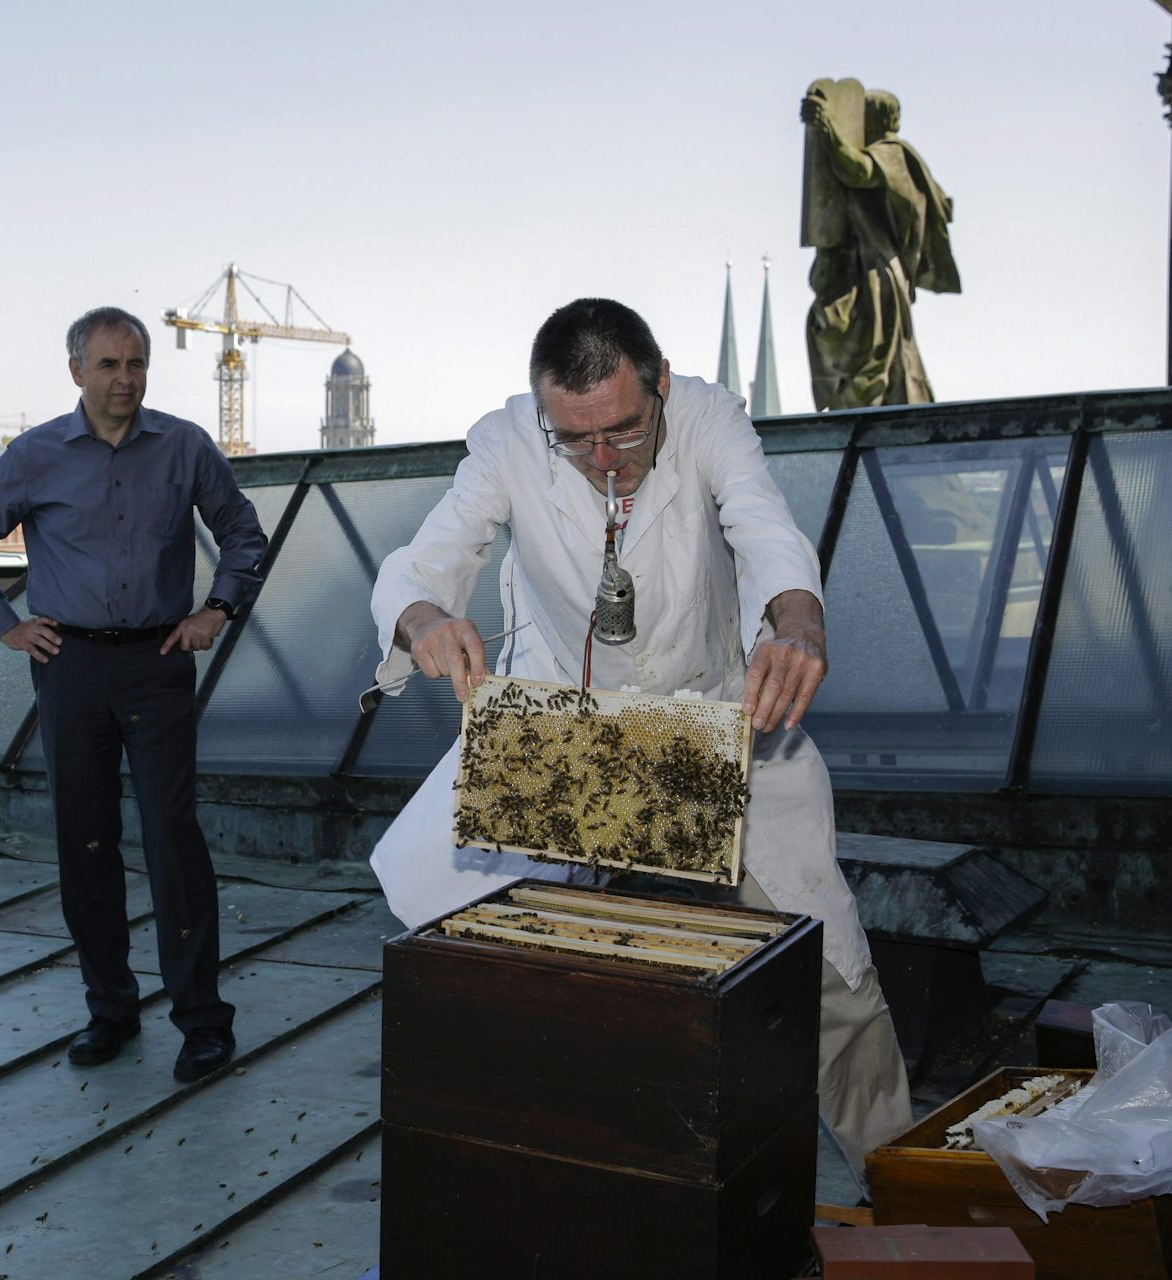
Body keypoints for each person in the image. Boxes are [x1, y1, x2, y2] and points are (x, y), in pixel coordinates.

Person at [367, 298, 912, 1186]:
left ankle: (906, 1187)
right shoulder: (508, 441)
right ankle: (556, 1177)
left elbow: (766, 531)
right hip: (570, 738)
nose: (605, 460)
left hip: (717, 725)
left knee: (829, 972)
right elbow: (420, 567)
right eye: (576, 440)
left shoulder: (709, 418)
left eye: (623, 431)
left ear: (659, 384)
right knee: (492, 958)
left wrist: (799, 622)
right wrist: (425, 618)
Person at [0, 306, 266, 1081]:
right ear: (76, 371)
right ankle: (110, 1011)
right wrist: (5, 624)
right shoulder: (35, 455)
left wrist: (216, 610)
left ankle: (202, 1021)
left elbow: (244, 534)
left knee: (172, 840)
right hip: (71, 667)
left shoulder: (186, 446)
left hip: (159, 662)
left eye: (136, 364)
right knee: (84, 842)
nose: (125, 379)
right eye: (109, 365)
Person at [801, 85, 960, 410]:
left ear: (876, 118)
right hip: (868, 269)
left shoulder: (893, 154)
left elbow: (858, 171)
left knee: (871, 356)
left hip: (878, 274)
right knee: (845, 339)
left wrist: (827, 126)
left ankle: (873, 420)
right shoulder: (888, 156)